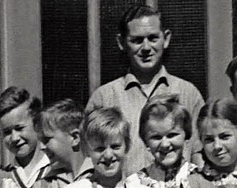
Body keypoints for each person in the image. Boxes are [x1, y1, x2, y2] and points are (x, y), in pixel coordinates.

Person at [86, 4, 204, 175]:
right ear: (121, 42)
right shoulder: (104, 97)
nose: (146, 48)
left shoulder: (188, 93)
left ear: (166, 38)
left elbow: (198, 153)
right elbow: (89, 157)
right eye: (137, 40)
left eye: (153, 38)